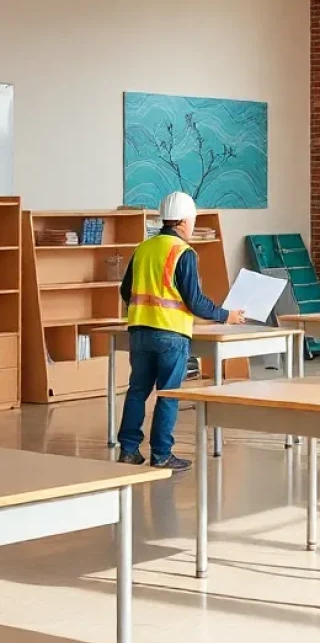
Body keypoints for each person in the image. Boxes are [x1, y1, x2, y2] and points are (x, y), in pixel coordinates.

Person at [117, 191, 245, 471]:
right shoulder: (183, 253)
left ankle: (128, 450)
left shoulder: (143, 248)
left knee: (137, 391)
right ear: (185, 222)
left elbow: (125, 290)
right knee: (168, 393)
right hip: (170, 334)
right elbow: (195, 301)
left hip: (139, 331)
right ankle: (161, 455)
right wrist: (227, 315)